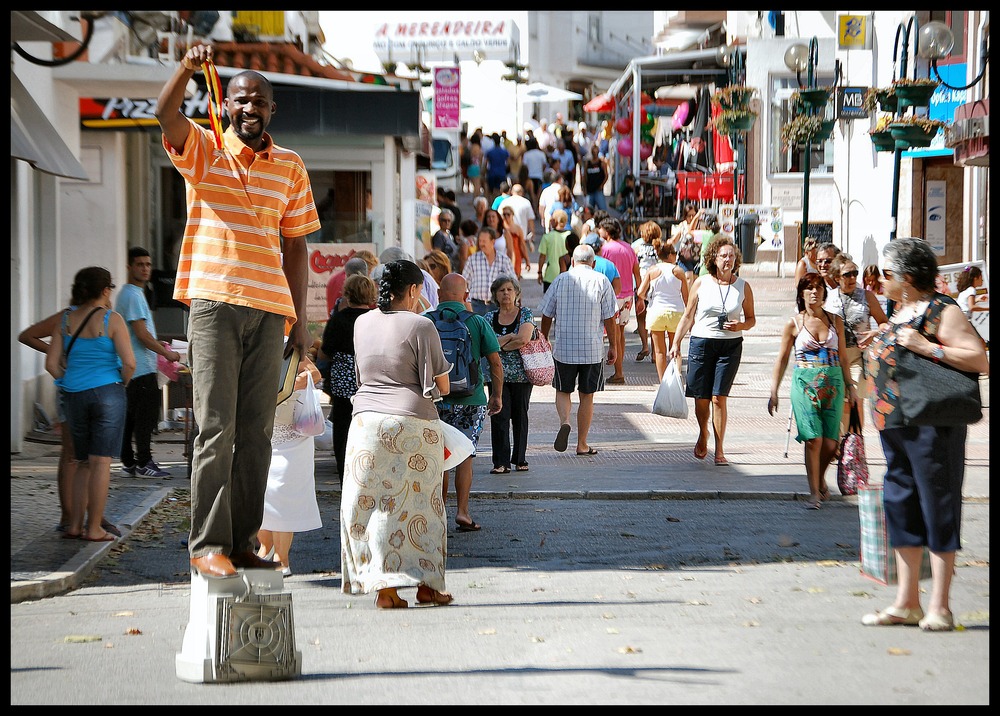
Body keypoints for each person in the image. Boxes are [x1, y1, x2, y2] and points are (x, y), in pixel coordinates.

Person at [156, 44, 321, 578]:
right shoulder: (204, 150)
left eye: (261, 103)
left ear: (273, 110)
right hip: (213, 302)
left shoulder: (291, 166)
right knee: (215, 428)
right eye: (242, 101)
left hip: (270, 309)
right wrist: (184, 69)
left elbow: (296, 246)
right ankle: (207, 544)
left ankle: (245, 539)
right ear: (226, 106)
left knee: (256, 434)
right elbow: (165, 114)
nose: (251, 109)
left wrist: (299, 323)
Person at [860, 237, 989, 632]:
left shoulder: (942, 311)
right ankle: (906, 602)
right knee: (901, 506)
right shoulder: (900, 311)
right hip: (896, 424)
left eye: (887, 273)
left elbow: (979, 358)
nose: (881, 280)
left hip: (932, 425)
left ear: (909, 277)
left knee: (937, 506)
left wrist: (926, 346)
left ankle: (941, 606)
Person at [341, 259, 454, 609]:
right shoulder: (421, 325)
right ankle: (427, 586)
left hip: (365, 424)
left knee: (373, 506)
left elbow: (363, 372)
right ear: (415, 290)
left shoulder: (361, 323)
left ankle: (385, 590)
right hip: (412, 423)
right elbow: (443, 385)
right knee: (422, 507)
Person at [45, 267, 136, 542]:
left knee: (81, 461)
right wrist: (122, 382)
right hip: (108, 392)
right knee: (101, 463)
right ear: (106, 290)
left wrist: (69, 379)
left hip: (74, 395)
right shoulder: (112, 319)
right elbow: (130, 362)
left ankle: (74, 525)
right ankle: (94, 527)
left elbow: (51, 364)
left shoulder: (65, 320)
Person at [20, 311, 121, 537]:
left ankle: (87, 516)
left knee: (89, 458)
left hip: (91, 390)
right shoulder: (66, 318)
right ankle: (70, 517)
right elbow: (27, 336)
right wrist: (59, 356)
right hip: (75, 389)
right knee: (74, 455)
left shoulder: (104, 316)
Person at [768, 274, 858, 509]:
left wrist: (850, 386)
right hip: (804, 385)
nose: (814, 292)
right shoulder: (794, 323)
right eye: (809, 288)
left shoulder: (835, 321)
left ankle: (819, 480)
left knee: (831, 444)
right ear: (801, 293)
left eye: (818, 288)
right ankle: (814, 493)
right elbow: (782, 359)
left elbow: (843, 358)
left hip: (833, 384)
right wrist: (774, 391)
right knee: (813, 440)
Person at [669, 235, 756, 467]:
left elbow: (751, 319)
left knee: (719, 398)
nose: (728, 260)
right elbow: (688, 315)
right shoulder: (701, 283)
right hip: (701, 343)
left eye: (731, 256)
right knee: (701, 400)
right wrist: (676, 342)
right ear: (713, 259)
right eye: (723, 256)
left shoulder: (743, 286)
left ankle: (719, 449)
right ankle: (703, 432)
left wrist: (740, 326)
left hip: (730, 346)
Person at [433, 273, 503, 532]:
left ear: (439, 295)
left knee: (438, 457)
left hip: (434, 399)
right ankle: (462, 512)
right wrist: (496, 395)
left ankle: (438, 512)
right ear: (465, 296)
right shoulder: (477, 322)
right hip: (471, 399)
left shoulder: (426, 321)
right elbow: (495, 362)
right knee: (464, 456)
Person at [538, 244, 618, 456]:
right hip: (592, 350)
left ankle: (565, 421)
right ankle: (582, 444)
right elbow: (610, 318)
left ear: (572, 261)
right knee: (587, 395)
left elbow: (546, 314)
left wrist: (544, 339)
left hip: (564, 348)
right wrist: (614, 346)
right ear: (593, 263)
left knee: (563, 390)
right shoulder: (602, 281)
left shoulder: (560, 280)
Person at [116, 247, 181, 478]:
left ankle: (129, 462)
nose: (145, 269)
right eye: (140, 264)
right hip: (140, 367)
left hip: (133, 366)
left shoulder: (130, 293)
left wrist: (158, 344)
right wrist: (170, 355)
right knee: (144, 419)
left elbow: (141, 334)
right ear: (129, 267)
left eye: (148, 264)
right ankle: (144, 462)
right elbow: (141, 335)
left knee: (131, 419)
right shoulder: (133, 294)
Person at [256, 353, 324, 576]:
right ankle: (265, 548)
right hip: (259, 428)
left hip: (293, 432)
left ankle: (282, 558)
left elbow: (315, 373)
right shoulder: (245, 342)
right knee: (258, 494)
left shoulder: (287, 346)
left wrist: (291, 384)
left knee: (283, 492)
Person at [319, 274, 377, 482]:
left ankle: (344, 468)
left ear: (347, 294)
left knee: (342, 426)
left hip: (343, 383)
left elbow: (326, 351)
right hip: (370, 380)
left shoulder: (339, 320)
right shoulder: (376, 319)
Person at [825, 253, 889, 432]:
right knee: (837, 402)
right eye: (847, 274)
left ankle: (854, 445)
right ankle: (840, 444)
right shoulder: (828, 298)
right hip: (834, 358)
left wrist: (875, 332)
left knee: (854, 400)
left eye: (855, 273)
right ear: (837, 277)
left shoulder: (867, 296)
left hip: (856, 357)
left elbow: (885, 323)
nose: (853, 277)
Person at [485, 276, 536, 474]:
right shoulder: (489, 318)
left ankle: (520, 458)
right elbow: (487, 345)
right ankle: (500, 462)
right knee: (499, 415)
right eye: (501, 290)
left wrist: (498, 344)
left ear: (516, 293)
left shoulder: (525, 314)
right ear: (495, 295)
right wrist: (508, 338)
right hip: (497, 374)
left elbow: (523, 339)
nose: (506, 293)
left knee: (520, 416)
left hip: (522, 374)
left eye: (509, 290)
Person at [598, 218, 644, 384]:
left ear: (607, 232)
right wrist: (640, 295)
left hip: (612, 295)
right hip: (627, 296)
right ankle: (619, 370)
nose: (599, 232)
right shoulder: (628, 248)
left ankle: (617, 372)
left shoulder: (605, 249)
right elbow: (637, 273)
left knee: (613, 334)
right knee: (620, 333)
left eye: (601, 229)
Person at [637, 238, 689, 381]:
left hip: (656, 312)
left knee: (660, 352)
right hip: (676, 313)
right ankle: (676, 379)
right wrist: (691, 317)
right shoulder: (678, 271)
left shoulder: (652, 270)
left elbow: (640, 292)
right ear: (671, 255)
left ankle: (663, 383)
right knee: (675, 348)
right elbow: (686, 297)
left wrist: (650, 298)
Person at [463, 226, 516, 316]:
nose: (481, 244)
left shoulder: (504, 260)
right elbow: (464, 282)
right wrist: (467, 304)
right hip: (476, 306)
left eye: (484, 241)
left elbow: (513, 282)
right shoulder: (472, 259)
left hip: (497, 306)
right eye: (480, 241)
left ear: (493, 241)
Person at [631, 221, 661, 362]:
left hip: (641, 283)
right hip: (656, 285)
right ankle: (656, 351)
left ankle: (645, 346)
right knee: (654, 318)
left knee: (641, 317)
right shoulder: (659, 248)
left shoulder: (636, 248)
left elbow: (634, 267)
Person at [326, 250, 378, 316]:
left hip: (335, 317)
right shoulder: (358, 283)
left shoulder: (335, 278)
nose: (369, 274)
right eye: (370, 270)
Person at [537, 210, 572, 292]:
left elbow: (542, 256)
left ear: (555, 221)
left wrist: (539, 272)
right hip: (567, 274)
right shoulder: (570, 236)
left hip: (550, 275)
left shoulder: (547, 237)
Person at [497, 184, 537, 252]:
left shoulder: (505, 202)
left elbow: (499, 217)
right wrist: (532, 233)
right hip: (521, 236)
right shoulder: (526, 202)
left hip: (506, 234)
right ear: (522, 192)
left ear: (511, 191)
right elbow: (530, 220)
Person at [501, 205, 531, 279]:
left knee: (515, 278)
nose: (506, 216)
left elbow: (522, 245)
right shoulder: (501, 228)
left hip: (516, 255)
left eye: (508, 214)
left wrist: (527, 260)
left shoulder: (517, 228)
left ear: (512, 215)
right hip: (504, 254)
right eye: (504, 214)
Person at [431, 208, 464, 273]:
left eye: (449, 221)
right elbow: (437, 253)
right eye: (444, 220)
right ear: (440, 221)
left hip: (453, 268)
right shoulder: (439, 235)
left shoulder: (449, 234)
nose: (447, 223)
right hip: (445, 270)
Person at [484, 133, 510, 204]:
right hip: (501, 172)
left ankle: (492, 204)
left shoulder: (490, 152)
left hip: (492, 173)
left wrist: (484, 171)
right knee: (501, 190)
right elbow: (508, 162)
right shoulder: (504, 151)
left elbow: (486, 163)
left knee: (491, 191)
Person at [582, 143, 609, 211]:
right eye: (593, 152)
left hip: (598, 190)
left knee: (603, 209)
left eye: (596, 152)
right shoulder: (588, 163)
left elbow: (606, 175)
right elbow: (584, 176)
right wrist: (584, 188)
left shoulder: (602, 163)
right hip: (589, 190)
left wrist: (602, 185)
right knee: (589, 210)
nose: (595, 154)